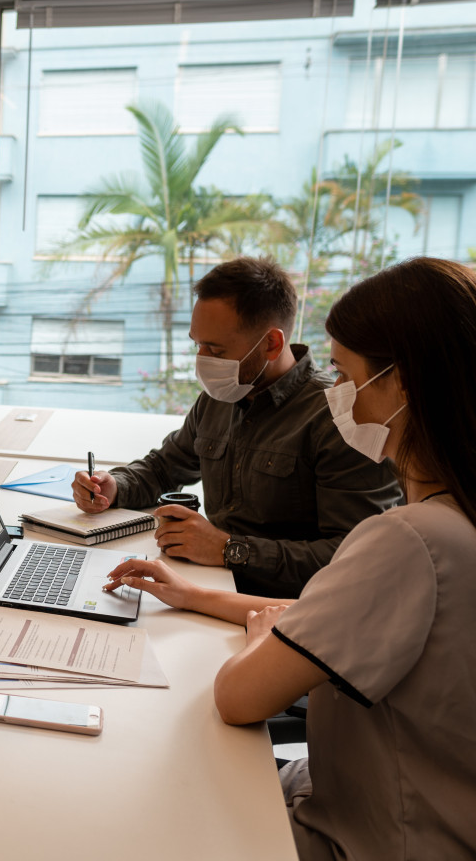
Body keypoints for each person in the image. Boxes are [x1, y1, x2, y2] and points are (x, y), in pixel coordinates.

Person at [104, 257, 476, 860]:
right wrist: (196, 593)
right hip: (360, 791)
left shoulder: (411, 539)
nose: (342, 397)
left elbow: (237, 697)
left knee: (143, 795)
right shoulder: (453, 518)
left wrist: (260, 629)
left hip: (367, 835)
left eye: (347, 374)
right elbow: (343, 612)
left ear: (403, 384)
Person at [72, 256, 400, 597]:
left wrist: (229, 549)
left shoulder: (339, 418)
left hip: (284, 605)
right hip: (212, 583)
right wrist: (114, 486)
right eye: (197, 344)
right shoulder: (221, 396)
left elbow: (351, 558)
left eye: (215, 349)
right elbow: (163, 467)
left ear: (272, 343)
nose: (202, 361)